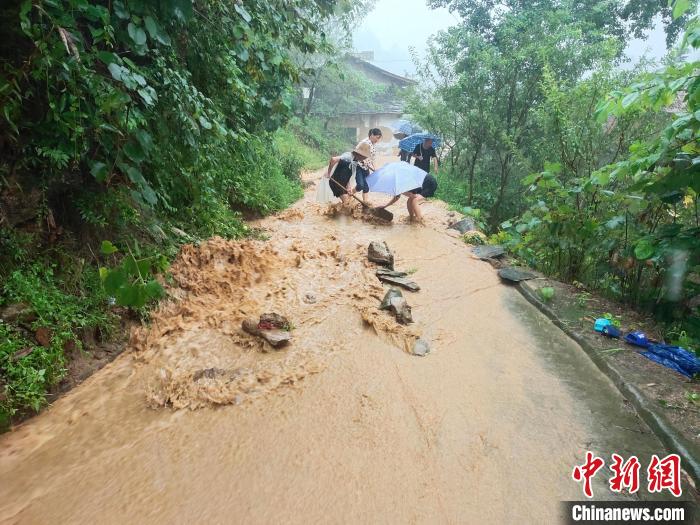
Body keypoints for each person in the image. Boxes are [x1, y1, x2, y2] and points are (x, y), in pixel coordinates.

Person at [355, 128, 382, 204]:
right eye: (377, 137)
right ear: (372, 135)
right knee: (360, 185)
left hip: (366, 168)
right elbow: (355, 153)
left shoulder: (372, 145)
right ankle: (350, 194)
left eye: (379, 138)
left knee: (366, 187)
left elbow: (373, 159)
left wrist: (375, 169)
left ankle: (365, 204)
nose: (377, 140)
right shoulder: (364, 142)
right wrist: (362, 160)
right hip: (359, 167)